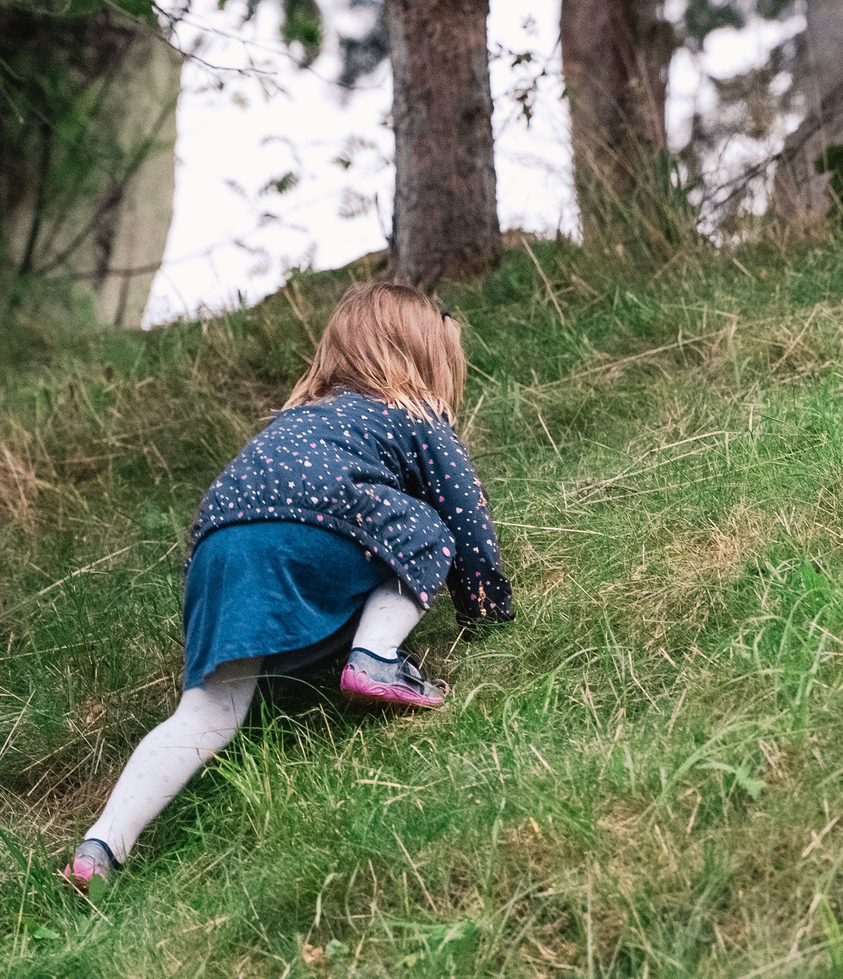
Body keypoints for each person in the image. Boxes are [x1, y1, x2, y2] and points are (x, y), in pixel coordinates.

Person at [62, 280, 515, 890]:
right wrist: (486, 606)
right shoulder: (412, 413)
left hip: (218, 545)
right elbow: (466, 516)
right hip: (315, 521)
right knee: (428, 531)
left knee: (205, 715)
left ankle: (102, 845)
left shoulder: (295, 419)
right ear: (421, 358)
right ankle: (376, 659)